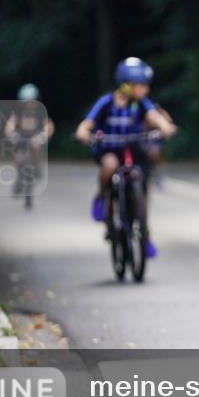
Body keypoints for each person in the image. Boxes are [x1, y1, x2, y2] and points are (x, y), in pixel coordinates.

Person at [75, 58, 177, 258]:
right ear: (126, 84)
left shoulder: (140, 104)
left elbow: (155, 117)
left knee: (142, 192)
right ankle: (101, 197)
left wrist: (166, 127)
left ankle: (144, 236)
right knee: (110, 165)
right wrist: (83, 133)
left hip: (134, 150)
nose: (145, 90)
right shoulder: (106, 102)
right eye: (141, 86)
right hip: (110, 149)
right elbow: (87, 124)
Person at [4, 83, 54, 196]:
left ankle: (37, 167)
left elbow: (49, 125)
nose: (29, 104)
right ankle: (18, 180)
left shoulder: (41, 112)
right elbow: (10, 124)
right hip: (21, 138)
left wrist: (44, 135)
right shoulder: (18, 112)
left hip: (35, 137)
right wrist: (11, 134)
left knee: (37, 146)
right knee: (18, 159)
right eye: (27, 101)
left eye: (32, 101)